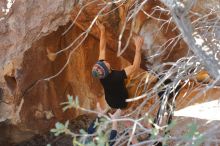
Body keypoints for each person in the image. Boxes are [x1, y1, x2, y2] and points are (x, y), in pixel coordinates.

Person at [92, 21, 144, 109]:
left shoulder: (102, 73)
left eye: (102, 62)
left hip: (109, 100)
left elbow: (102, 49)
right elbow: (135, 67)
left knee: (127, 80)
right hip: (121, 102)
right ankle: (125, 108)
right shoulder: (116, 76)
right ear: (107, 70)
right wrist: (138, 48)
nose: (104, 61)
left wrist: (102, 30)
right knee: (140, 81)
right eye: (105, 64)